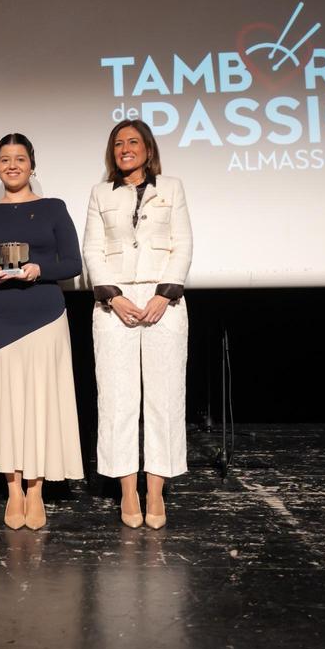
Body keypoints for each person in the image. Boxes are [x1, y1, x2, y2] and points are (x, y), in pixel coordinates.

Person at [0, 134, 84, 530]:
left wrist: (40, 269)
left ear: (33, 164)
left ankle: (36, 490)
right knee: (6, 407)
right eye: (5, 159)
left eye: (20, 158)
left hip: (43, 316)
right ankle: (13, 491)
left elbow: (74, 263)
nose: (13, 165)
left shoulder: (53, 208)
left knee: (41, 404)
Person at [81, 119, 193, 529]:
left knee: (165, 399)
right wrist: (114, 296)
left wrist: (164, 294)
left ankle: (156, 492)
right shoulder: (99, 193)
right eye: (118, 143)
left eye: (132, 142)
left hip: (165, 302)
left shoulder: (172, 188)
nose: (125, 148)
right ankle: (128, 491)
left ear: (148, 148)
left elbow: (183, 243)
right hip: (115, 305)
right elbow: (92, 249)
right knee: (117, 400)